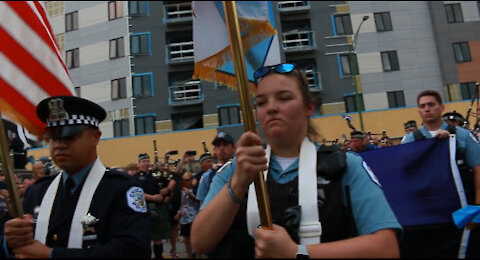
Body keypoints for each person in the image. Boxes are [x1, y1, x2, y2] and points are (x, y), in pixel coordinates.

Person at [191, 63, 401, 258]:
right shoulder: (235, 170)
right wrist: (238, 183)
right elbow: (200, 243)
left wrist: (297, 252)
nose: (271, 107)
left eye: (284, 98)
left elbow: (386, 248)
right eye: (262, 102)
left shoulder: (346, 165)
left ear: (309, 107)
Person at [2, 96, 150, 258]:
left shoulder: (121, 189)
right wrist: (10, 243)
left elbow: (133, 250)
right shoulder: (38, 191)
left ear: (95, 136)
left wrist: (52, 255)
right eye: (53, 137)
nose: (59, 145)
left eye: (69, 136)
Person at [401, 90, 480, 258]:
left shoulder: (462, 135)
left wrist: (477, 208)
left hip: (461, 211)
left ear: (441, 107)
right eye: (422, 106)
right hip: (427, 216)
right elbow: (404, 177)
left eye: (431, 104)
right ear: (419, 111)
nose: (427, 109)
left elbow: (478, 170)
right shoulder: (409, 141)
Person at [136, 153, 170, 259]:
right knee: (146, 238)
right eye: (143, 161)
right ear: (139, 164)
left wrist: (166, 190)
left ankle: (159, 257)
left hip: (158, 209)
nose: (146, 163)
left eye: (147, 161)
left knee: (158, 238)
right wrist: (153, 197)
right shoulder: (135, 178)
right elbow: (137, 194)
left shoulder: (156, 176)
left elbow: (169, 184)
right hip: (144, 210)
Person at [195, 132, 236, 206]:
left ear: (233, 148)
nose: (222, 148)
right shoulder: (208, 175)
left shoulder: (240, 170)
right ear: (214, 150)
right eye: (218, 145)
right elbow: (202, 203)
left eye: (225, 145)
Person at [178, 172, 199, 258]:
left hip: (193, 216)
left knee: (195, 238)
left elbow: (197, 199)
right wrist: (179, 213)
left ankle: (198, 254)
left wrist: (189, 194)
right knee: (186, 239)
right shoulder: (181, 190)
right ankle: (189, 255)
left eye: (187, 180)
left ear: (191, 180)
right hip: (184, 217)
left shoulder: (195, 189)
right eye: (183, 180)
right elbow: (181, 203)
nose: (185, 182)